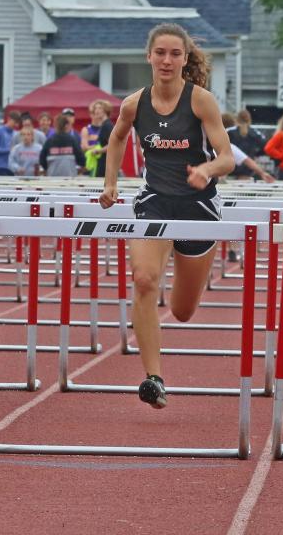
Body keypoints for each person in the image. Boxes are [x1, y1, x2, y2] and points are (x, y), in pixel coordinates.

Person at [98, 22, 235, 410]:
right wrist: (111, 184)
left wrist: (206, 171)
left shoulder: (200, 101)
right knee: (144, 279)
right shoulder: (133, 104)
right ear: (149, 57)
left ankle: (180, 297)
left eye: (175, 53)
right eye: (160, 53)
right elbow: (117, 138)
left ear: (185, 58)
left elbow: (226, 156)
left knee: (182, 310)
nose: (167, 60)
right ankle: (153, 377)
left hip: (198, 207)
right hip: (154, 201)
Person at [227, 108, 266, 179]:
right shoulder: (256, 133)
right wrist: (256, 154)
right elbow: (265, 147)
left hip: (230, 166)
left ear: (237, 119)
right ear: (249, 119)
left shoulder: (229, 131)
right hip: (247, 168)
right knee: (243, 189)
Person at [81, 99, 114, 178]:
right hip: (101, 162)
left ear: (106, 110)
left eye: (100, 108)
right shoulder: (105, 125)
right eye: (95, 108)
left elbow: (112, 145)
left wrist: (97, 150)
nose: (96, 111)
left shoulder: (107, 125)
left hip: (105, 163)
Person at [0, 110, 20, 176]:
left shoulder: (16, 133)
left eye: (18, 123)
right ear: (9, 119)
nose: (16, 125)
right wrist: (8, 150)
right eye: (15, 122)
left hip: (11, 169)